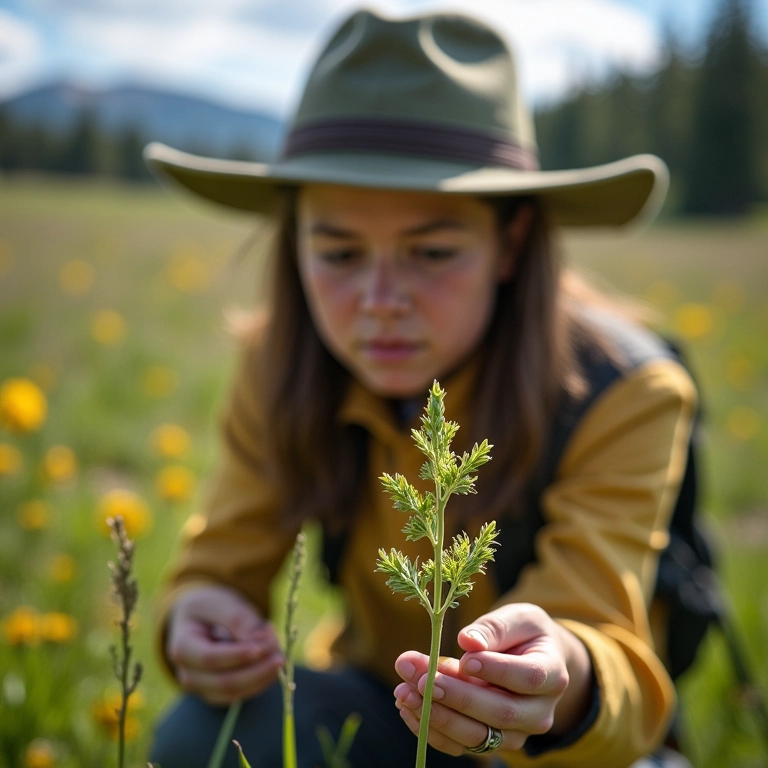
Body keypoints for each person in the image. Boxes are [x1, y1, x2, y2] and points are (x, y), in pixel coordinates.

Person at [144, 8, 696, 768]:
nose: (380, 300)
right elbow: (223, 560)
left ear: (512, 242)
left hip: (564, 753)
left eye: (432, 251)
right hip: (379, 712)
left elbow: (601, 631)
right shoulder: (279, 364)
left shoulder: (624, 391)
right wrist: (194, 617)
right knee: (199, 737)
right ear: (293, 243)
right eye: (338, 252)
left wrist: (553, 676)